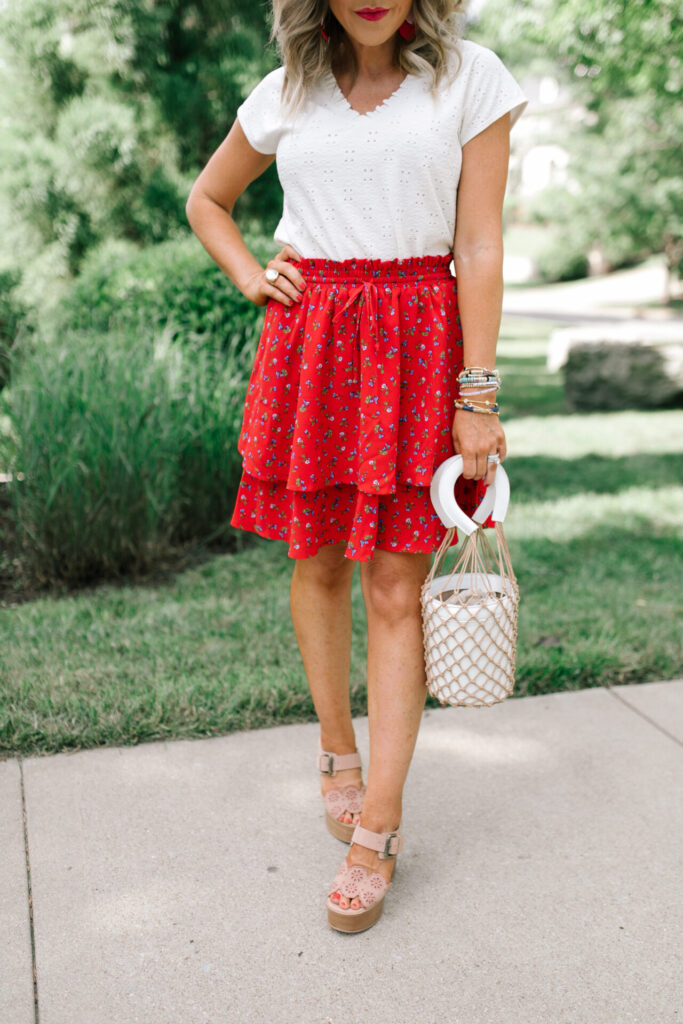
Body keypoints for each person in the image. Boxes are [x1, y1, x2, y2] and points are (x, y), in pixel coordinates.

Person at [185, 0, 527, 933]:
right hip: (316, 340)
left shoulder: (470, 80)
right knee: (318, 561)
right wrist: (252, 273)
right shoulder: (286, 89)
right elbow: (206, 199)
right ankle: (336, 750)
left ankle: (377, 827)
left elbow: (482, 242)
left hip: (421, 341)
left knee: (393, 585)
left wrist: (479, 393)